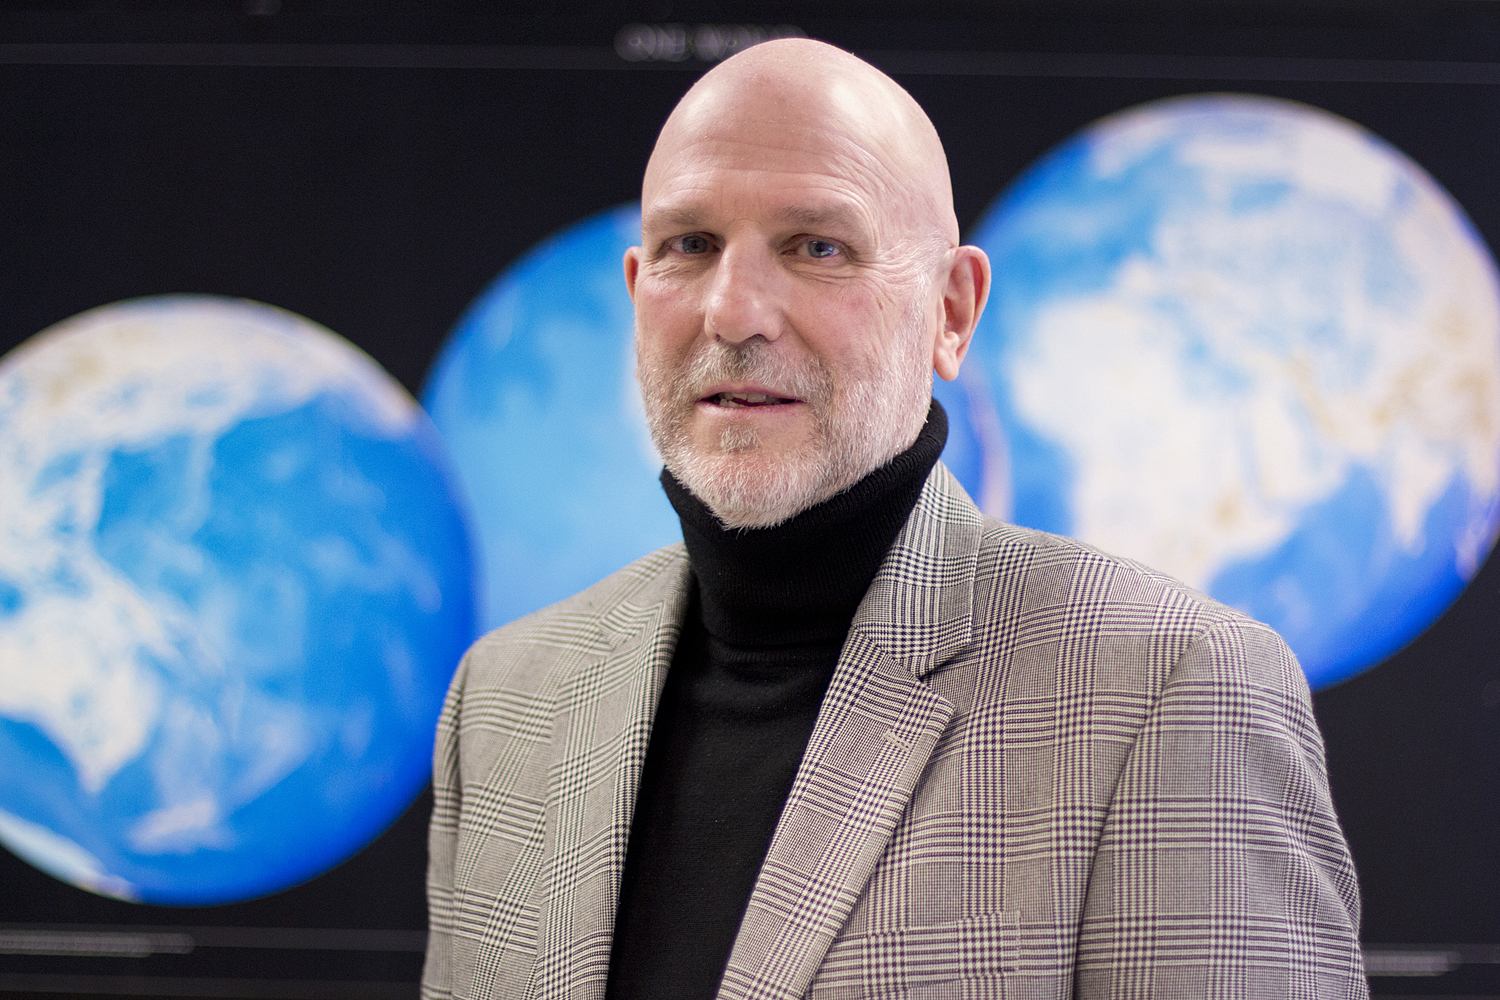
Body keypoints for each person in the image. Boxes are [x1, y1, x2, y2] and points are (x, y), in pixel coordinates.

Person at [422, 37, 1367, 1000]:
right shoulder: (503, 703)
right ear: (637, 295)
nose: (734, 310)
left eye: (816, 247)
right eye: (690, 246)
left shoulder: (1170, 691)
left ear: (952, 312)